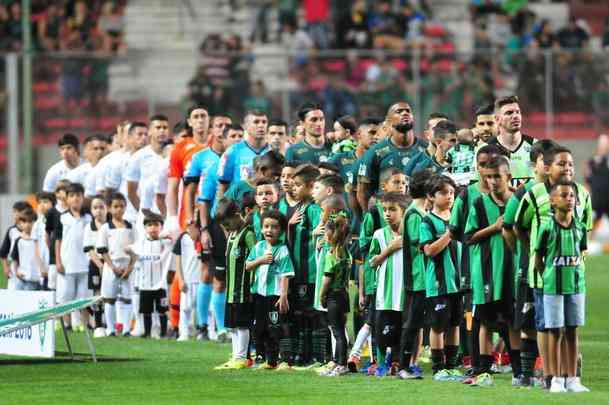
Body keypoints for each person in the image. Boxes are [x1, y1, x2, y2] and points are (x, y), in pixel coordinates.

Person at [515, 145, 593, 389]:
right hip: (544, 277)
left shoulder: (582, 195)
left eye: (570, 164)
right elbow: (517, 226)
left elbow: (584, 233)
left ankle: (571, 377)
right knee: (548, 328)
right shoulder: (534, 194)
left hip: (573, 277)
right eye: (561, 164)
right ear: (548, 168)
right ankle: (551, 377)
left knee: (570, 328)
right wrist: (534, 254)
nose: (567, 168)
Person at [502, 139, 558, 387]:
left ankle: (552, 372)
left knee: (554, 321)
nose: (550, 166)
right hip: (530, 268)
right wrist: (523, 254)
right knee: (528, 321)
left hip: (558, 268)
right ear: (535, 164)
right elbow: (508, 227)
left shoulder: (563, 190)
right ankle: (526, 374)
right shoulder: (524, 192)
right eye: (546, 162)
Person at [465, 157, 522, 384]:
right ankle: (483, 371)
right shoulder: (479, 204)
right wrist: (494, 227)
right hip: (486, 272)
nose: (492, 181)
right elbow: (468, 237)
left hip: (513, 272)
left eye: (497, 176)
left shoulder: (519, 202)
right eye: (488, 177)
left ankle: (520, 371)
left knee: (512, 323)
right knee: (486, 323)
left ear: (508, 176)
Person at [534, 181, 590, 393]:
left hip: (576, 286)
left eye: (572, 196)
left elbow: (582, 252)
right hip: (553, 287)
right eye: (564, 195)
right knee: (555, 331)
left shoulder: (580, 227)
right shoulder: (547, 227)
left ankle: (572, 378)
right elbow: (538, 257)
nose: (569, 199)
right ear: (552, 200)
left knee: (572, 331)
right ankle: (556, 379)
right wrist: (547, 277)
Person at [420, 175, 462, 380]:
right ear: (431, 196)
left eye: (452, 193)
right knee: (438, 325)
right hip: (438, 283)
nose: (449, 197)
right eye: (444, 193)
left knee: (455, 324)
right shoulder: (427, 221)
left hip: (458, 282)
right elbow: (429, 251)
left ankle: (452, 365)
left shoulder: (457, 218)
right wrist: (449, 234)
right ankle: (438, 368)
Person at [368, 192, 410, 377]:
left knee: (406, 330)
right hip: (385, 294)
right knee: (383, 332)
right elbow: (371, 262)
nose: (387, 213)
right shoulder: (379, 235)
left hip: (406, 292)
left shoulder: (412, 234)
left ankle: (400, 363)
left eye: (392, 209)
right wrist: (389, 249)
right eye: (384, 209)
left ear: (404, 212)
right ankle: (379, 363)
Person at [357, 102, 428, 211]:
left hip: (419, 216)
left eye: (408, 111)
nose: (405, 113)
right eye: (399, 112)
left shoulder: (426, 149)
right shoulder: (374, 152)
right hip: (387, 217)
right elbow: (363, 192)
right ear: (389, 121)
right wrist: (369, 217)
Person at [246, 210, 294, 369]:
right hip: (259, 295)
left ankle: (285, 360)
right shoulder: (258, 247)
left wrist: (284, 295)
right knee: (261, 328)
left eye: (274, 227)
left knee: (276, 328)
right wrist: (260, 260)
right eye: (266, 226)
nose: (269, 230)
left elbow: (286, 274)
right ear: (261, 229)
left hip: (275, 295)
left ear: (280, 231)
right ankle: (269, 360)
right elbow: (247, 265)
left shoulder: (282, 250)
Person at [398, 169, 434, 379]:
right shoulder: (414, 213)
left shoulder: (420, 212)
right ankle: (403, 366)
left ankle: (408, 365)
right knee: (411, 323)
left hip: (423, 276)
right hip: (417, 276)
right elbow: (417, 242)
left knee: (417, 323)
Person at [214, 198, 257, 369]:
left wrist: (253, 282)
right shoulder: (232, 234)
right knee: (232, 326)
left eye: (227, 222)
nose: (225, 226)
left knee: (242, 325)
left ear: (237, 215)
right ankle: (235, 356)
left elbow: (255, 256)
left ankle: (242, 358)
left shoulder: (248, 234)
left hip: (243, 289)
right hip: (231, 290)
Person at [286, 164, 322, 365]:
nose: (294, 189)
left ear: (310, 186)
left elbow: (320, 234)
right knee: (300, 314)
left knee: (312, 314)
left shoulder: (315, 210)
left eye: (298, 185)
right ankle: (303, 353)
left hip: (311, 272)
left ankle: (317, 355)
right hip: (299, 272)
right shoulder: (300, 208)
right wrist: (290, 226)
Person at [97, 192, 136, 337]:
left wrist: (130, 267)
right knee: (109, 298)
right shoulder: (105, 228)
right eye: (116, 206)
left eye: (122, 206)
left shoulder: (131, 227)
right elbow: (102, 249)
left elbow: (136, 249)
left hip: (127, 265)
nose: (119, 209)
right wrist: (112, 267)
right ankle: (111, 329)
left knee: (127, 297)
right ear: (109, 208)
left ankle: (126, 329)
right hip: (111, 266)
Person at [55, 183, 93, 330]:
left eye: (78, 195)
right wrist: (58, 261)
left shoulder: (89, 218)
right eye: (72, 195)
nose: (76, 198)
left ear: (83, 197)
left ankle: (85, 324)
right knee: (66, 295)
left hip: (85, 263)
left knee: (84, 296)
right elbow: (57, 241)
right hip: (67, 263)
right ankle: (67, 323)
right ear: (67, 199)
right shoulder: (62, 217)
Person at [127, 213, 171, 339]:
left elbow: (172, 237)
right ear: (145, 228)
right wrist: (130, 251)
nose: (153, 228)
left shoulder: (165, 243)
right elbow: (127, 249)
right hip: (145, 285)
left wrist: (163, 236)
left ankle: (163, 334)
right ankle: (147, 333)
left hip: (161, 285)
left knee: (162, 310)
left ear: (161, 227)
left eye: (156, 225)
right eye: (149, 225)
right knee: (146, 311)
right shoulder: (140, 244)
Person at [319, 211, 352, 377]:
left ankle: (341, 364)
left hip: (333, 296)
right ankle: (340, 362)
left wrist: (321, 296)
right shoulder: (347, 254)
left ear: (331, 235)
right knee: (341, 329)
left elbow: (326, 280)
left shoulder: (331, 255)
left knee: (337, 331)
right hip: (344, 295)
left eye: (325, 232)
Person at [216, 110, 271, 198]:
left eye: (264, 122)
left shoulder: (273, 152)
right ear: (246, 127)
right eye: (256, 122)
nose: (261, 125)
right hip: (240, 208)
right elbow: (223, 186)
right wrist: (221, 210)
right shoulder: (232, 152)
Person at [488, 96, 537, 187]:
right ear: (497, 119)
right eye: (509, 113)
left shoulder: (536, 146)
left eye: (518, 112)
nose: (515, 116)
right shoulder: (486, 150)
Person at [173, 216, 202, 342]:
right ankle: (183, 333)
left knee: (206, 309)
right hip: (188, 279)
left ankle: (206, 332)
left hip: (202, 279)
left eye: (193, 225)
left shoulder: (205, 237)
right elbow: (178, 260)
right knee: (185, 308)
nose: (190, 228)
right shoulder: (183, 238)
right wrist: (180, 279)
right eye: (189, 226)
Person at [83, 195, 108, 337]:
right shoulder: (89, 228)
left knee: (111, 294)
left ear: (106, 208)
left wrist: (107, 265)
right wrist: (100, 265)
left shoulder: (111, 225)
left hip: (110, 263)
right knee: (97, 294)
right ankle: (98, 325)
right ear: (91, 210)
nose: (98, 211)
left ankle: (113, 325)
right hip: (95, 264)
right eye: (95, 208)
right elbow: (89, 249)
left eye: (101, 207)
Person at [0, 201, 34, 290]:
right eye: (14, 212)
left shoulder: (34, 232)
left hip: (29, 268)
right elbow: (3, 252)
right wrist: (6, 267)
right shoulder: (11, 231)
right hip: (14, 268)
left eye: (17, 212)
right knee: (13, 292)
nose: (15, 215)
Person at [11, 207, 45, 291]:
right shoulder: (19, 240)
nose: (27, 225)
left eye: (30, 222)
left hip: (36, 278)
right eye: (24, 222)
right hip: (22, 277)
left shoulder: (39, 240)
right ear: (20, 223)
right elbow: (14, 258)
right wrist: (16, 272)